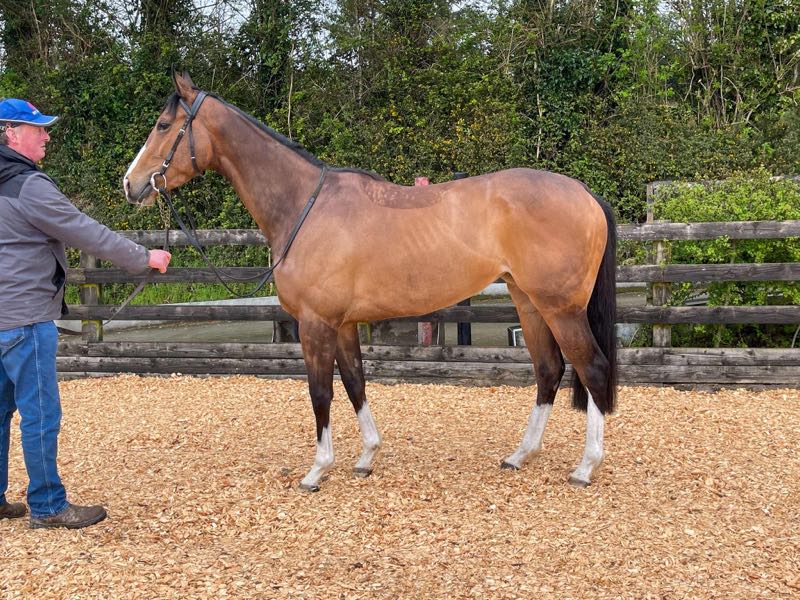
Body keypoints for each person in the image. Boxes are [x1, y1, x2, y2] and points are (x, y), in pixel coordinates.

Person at [0, 98, 171, 529]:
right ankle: (48, 506)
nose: (46, 135)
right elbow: (84, 230)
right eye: (38, 129)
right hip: (24, 319)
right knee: (41, 414)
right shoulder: (27, 185)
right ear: (11, 133)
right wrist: (143, 257)